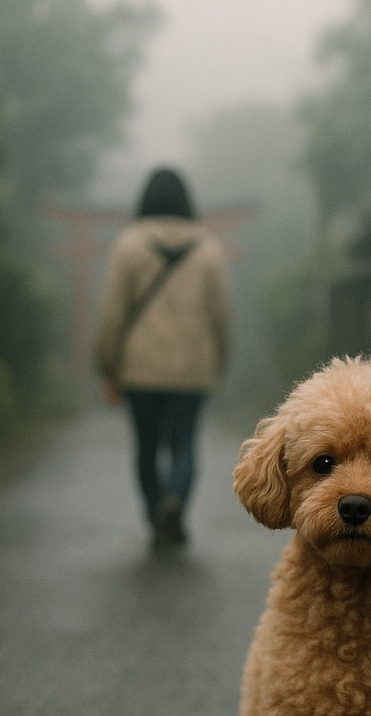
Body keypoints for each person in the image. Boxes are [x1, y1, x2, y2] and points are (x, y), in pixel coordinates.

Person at [95, 168, 230, 548]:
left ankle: (156, 509)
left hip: (139, 370)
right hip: (193, 368)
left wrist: (107, 365)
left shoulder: (128, 244)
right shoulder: (208, 248)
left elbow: (112, 313)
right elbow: (221, 316)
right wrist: (219, 361)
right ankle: (176, 501)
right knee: (184, 444)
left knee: (146, 446)